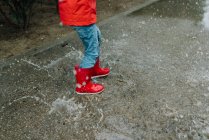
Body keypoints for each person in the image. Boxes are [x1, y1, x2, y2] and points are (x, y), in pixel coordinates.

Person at [58, 0, 110, 95]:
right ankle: (83, 85)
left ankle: (93, 70)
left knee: (97, 37)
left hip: (82, 12)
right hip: (81, 14)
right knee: (92, 51)